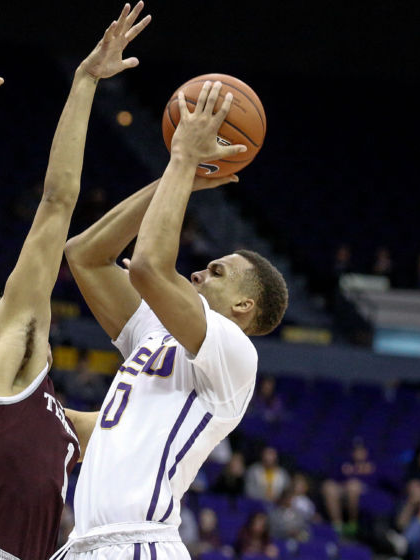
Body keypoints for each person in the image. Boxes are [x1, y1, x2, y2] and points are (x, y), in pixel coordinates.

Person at [0, 6, 150, 559]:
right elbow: (57, 202)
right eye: (6, 311)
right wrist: (84, 81)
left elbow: (136, 425)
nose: (27, 312)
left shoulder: (57, 422)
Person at [61, 77, 288, 555]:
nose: (200, 274)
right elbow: (84, 255)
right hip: (87, 543)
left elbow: (146, 267)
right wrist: (175, 177)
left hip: (139, 543)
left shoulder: (233, 352)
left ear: (243, 306)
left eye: (218, 272)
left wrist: (183, 160)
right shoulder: (154, 330)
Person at [322, 439, 377, 536]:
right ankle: (337, 525)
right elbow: (333, 479)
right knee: (328, 486)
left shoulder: (372, 466)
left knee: (353, 486)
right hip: (344, 489)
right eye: (356, 450)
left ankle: (352, 524)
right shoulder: (345, 464)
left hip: (363, 491)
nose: (358, 453)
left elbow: (377, 484)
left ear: (366, 452)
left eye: (361, 450)